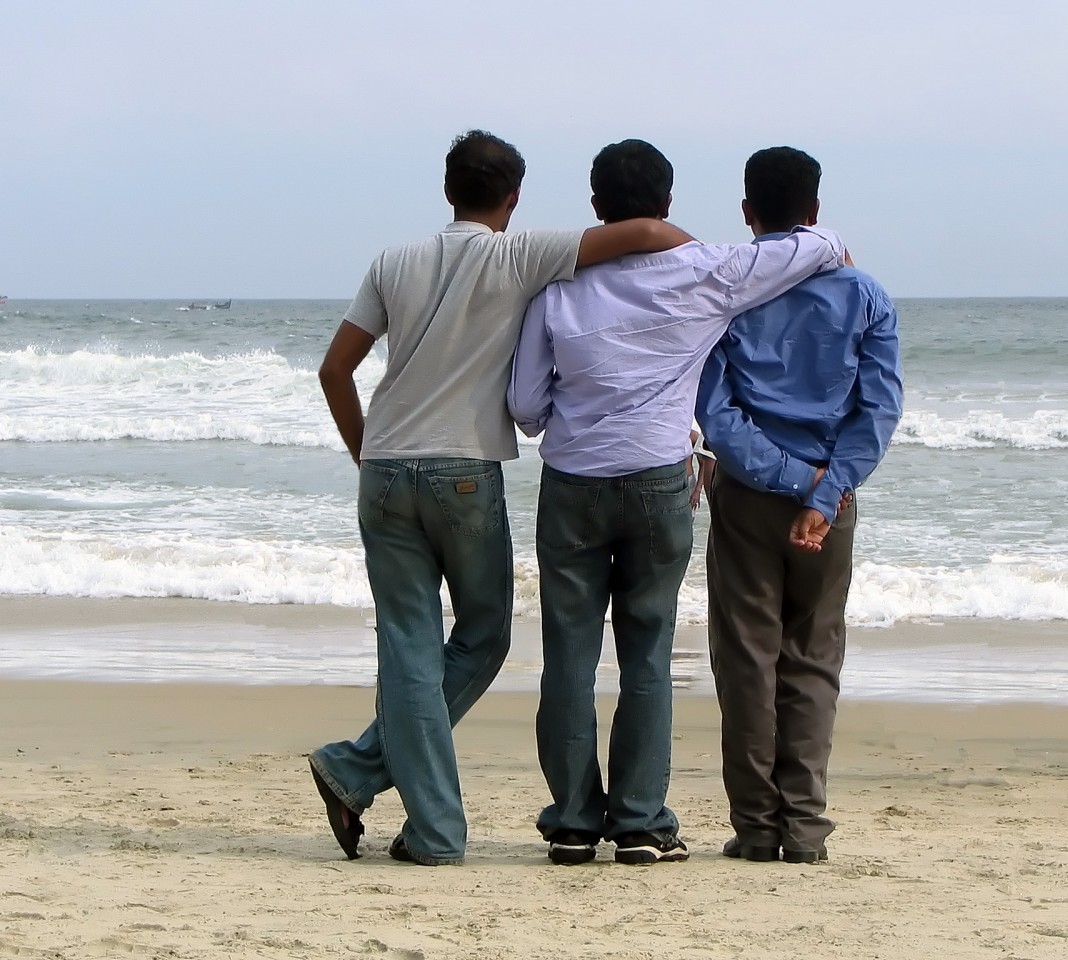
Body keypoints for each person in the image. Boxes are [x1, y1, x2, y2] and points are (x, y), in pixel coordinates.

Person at [307, 130, 695, 866]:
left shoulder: (392, 261)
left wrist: (367, 453)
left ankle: (412, 813)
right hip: (465, 473)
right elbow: (645, 232)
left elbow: (335, 371)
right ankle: (374, 782)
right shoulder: (519, 255)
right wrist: (705, 256)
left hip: (385, 470)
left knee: (408, 645)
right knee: (483, 635)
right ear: (513, 197)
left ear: (446, 189)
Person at [506, 139, 848, 866]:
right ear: (666, 206)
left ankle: (573, 821)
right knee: (648, 654)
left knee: (568, 654)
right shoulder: (706, 271)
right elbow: (809, 247)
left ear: (596, 206)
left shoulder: (557, 289)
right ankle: (639, 821)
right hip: (658, 481)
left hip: (572, 483)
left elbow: (526, 407)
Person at [695, 146, 902, 865]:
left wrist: (786, 478)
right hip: (828, 499)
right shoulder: (866, 294)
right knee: (813, 657)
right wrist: (824, 489)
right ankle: (806, 825)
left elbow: (716, 415)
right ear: (814, 212)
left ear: (748, 212)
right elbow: (878, 411)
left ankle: (757, 828)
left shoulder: (730, 297)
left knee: (746, 658)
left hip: (749, 495)